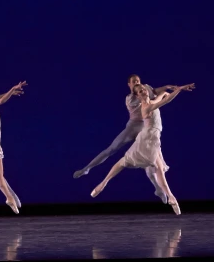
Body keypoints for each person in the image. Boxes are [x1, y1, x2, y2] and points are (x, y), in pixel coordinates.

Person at [73, 74, 194, 204]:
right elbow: (152, 98)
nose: (137, 83)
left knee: (152, 162)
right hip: (133, 127)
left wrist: (167, 88)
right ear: (129, 85)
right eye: (134, 82)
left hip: (146, 128)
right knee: (112, 148)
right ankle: (87, 168)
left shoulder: (145, 89)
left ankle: (159, 190)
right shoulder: (131, 98)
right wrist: (168, 92)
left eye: (138, 81)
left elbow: (154, 92)